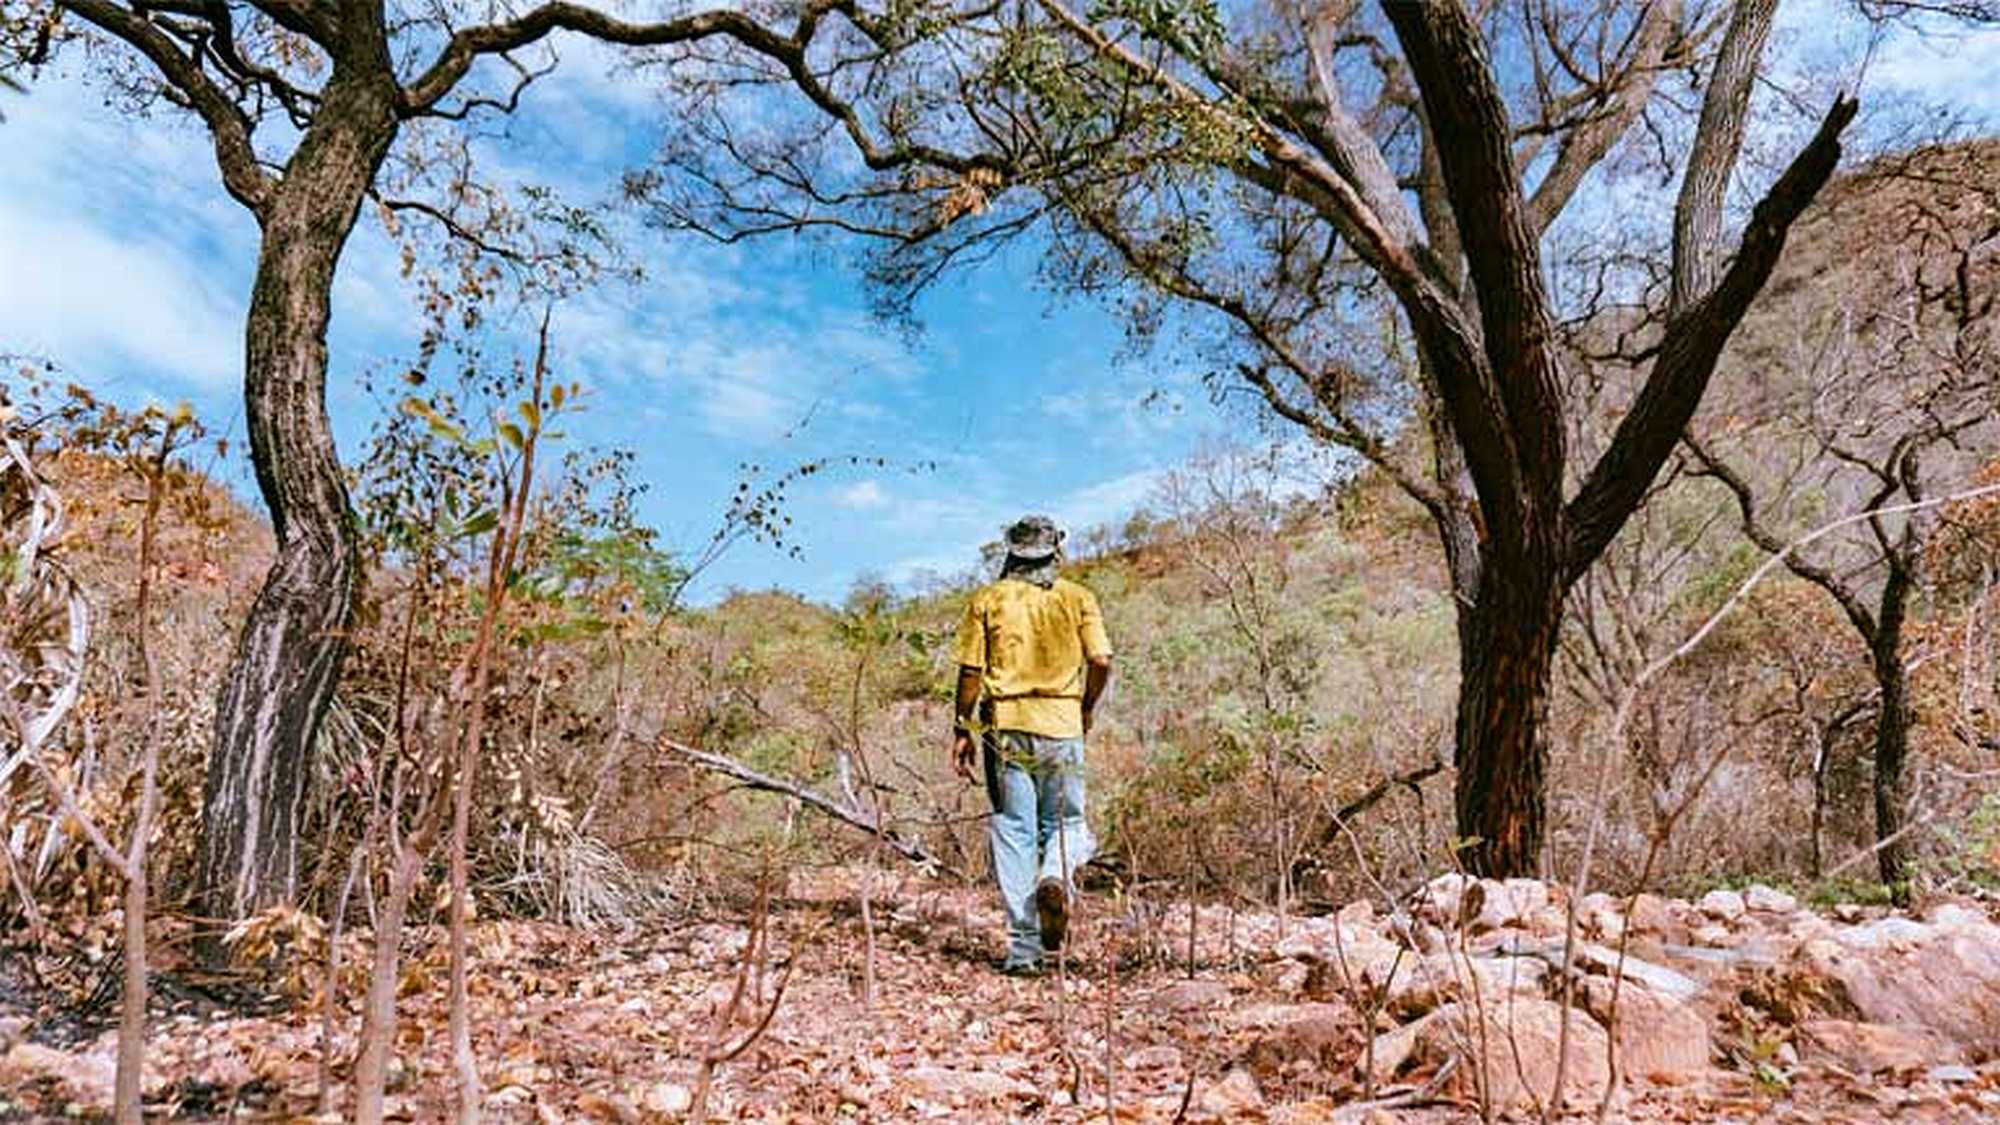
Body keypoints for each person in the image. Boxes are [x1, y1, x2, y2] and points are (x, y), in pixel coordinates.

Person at [951, 515, 1113, 974]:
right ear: (1054, 552)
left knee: (1014, 830)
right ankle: (1055, 876)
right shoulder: (1078, 598)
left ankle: (1024, 951)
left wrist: (962, 728)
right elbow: (1101, 659)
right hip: (1062, 726)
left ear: (1011, 553)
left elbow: (970, 673)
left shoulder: (987, 600)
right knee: (1068, 823)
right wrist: (1086, 705)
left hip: (1006, 727)